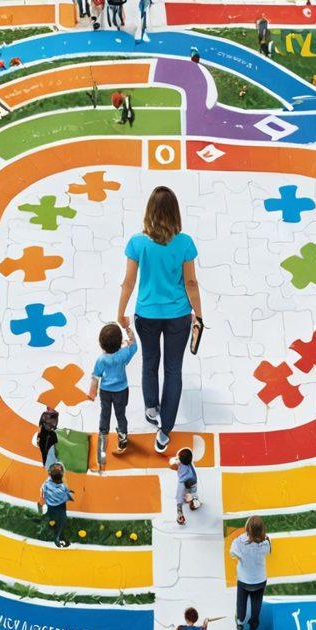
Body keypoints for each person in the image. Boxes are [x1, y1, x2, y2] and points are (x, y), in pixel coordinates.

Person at [117, 187, 204, 454]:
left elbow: (128, 282)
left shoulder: (137, 243)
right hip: (178, 316)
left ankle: (151, 407)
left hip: (146, 315)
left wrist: (120, 312)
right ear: (175, 212)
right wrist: (199, 315)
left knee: (150, 362)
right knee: (173, 370)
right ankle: (165, 431)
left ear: (149, 211)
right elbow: (191, 283)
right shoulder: (185, 243)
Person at [88, 322, 137, 457]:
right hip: (122, 390)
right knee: (120, 415)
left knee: (105, 413)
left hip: (105, 392)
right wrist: (130, 334)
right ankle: (123, 438)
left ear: (101, 344)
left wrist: (92, 392)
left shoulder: (101, 360)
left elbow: (95, 377)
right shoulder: (124, 353)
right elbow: (134, 347)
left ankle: (103, 436)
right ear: (120, 342)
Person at [230, 515, 271, 630]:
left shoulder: (239, 541)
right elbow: (268, 551)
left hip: (244, 580)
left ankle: (240, 623)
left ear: (247, 528)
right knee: (257, 601)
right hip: (260, 580)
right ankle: (254, 622)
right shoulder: (266, 542)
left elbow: (232, 553)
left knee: (241, 602)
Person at [41, 462, 75, 548]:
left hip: (50, 504)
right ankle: (58, 537)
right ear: (62, 475)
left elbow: (44, 491)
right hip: (59, 507)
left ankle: (49, 521)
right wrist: (70, 494)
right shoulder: (63, 487)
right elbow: (68, 497)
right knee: (62, 520)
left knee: (52, 516)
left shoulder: (47, 483)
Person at [173, 446, 200, 525]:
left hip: (186, 483)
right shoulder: (188, 464)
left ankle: (180, 513)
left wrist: (179, 512)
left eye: (179, 457)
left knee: (182, 496)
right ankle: (193, 500)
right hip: (193, 482)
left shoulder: (183, 475)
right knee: (192, 493)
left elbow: (180, 494)